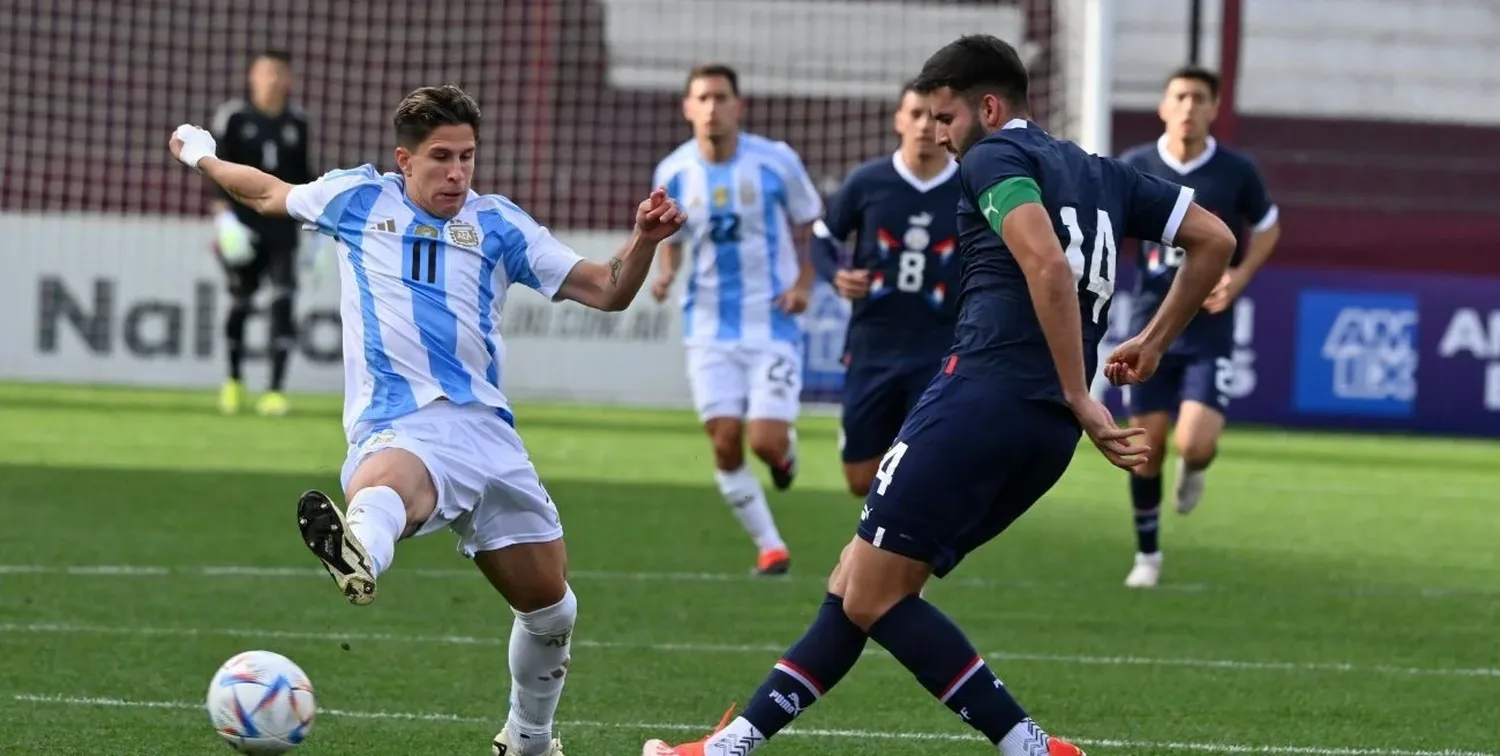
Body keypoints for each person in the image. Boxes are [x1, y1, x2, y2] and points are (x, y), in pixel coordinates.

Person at [641, 35, 1235, 756]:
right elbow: (1212, 238)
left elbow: (1045, 262)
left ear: (987, 107)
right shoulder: (1102, 173)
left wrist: (1082, 391)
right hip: (1043, 435)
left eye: (947, 116)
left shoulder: (994, 158)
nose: (942, 135)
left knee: (874, 592)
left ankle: (1027, 744)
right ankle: (734, 743)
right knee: (860, 582)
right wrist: (1154, 340)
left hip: (982, 399)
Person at [169, 83, 684, 756]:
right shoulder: (356, 199)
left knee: (552, 609)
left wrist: (643, 238)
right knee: (390, 485)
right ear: (403, 160)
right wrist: (204, 158)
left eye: (468, 156)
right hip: (402, 421)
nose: (457, 172)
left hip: (491, 436)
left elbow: (608, 289)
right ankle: (359, 552)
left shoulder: (498, 224)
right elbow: (266, 192)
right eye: (441, 157)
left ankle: (529, 740)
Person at [647, 63, 823, 576]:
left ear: (738, 106)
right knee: (724, 440)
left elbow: (815, 225)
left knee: (765, 441)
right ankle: (771, 546)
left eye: (721, 98)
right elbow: (670, 238)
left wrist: (805, 285)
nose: (712, 108)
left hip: (772, 323)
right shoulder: (674, 171)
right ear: (687, 108)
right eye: (702, 98)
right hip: (707, 327)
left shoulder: (775, 162)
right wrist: (664, 274)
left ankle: (784, 458)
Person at [1115, 65, 1282, 589]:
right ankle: (1148, 556)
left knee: (1195, 444)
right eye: (1180, 96)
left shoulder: (1235, 171)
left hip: (1208, 329)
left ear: (1214, 108)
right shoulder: (1135, 166)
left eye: (1199, 98)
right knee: (1146, 448)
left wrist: (1239, 275)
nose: (1189, 106)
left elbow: (1270, 224)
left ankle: (1196, 468)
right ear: (1164, 107)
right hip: (1148, 324)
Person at [812, 81, 963, 497]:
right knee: (860, 480)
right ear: (899, 119)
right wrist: (835, 274)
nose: (924, 125)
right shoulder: (867, 181)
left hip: (940, 348)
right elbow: (823, 237)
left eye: (935, 116)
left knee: (922, 469)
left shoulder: (970, 186)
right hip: (872, 346)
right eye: (914, 114)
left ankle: (897, 549)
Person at [207, 50, 317, 416]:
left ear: (289, 79)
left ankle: (274, 390)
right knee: (241, 301)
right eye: (266, 72)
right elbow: (216, 170)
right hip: (243, 225)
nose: (272, 79)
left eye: (280, 73)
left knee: (284, 300)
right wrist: (223, 221)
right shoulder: (234, 117)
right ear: (253, 76)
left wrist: (315, 231)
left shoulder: (298, 122)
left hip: (283, 227)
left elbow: (304, 177)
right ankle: (234, 380)